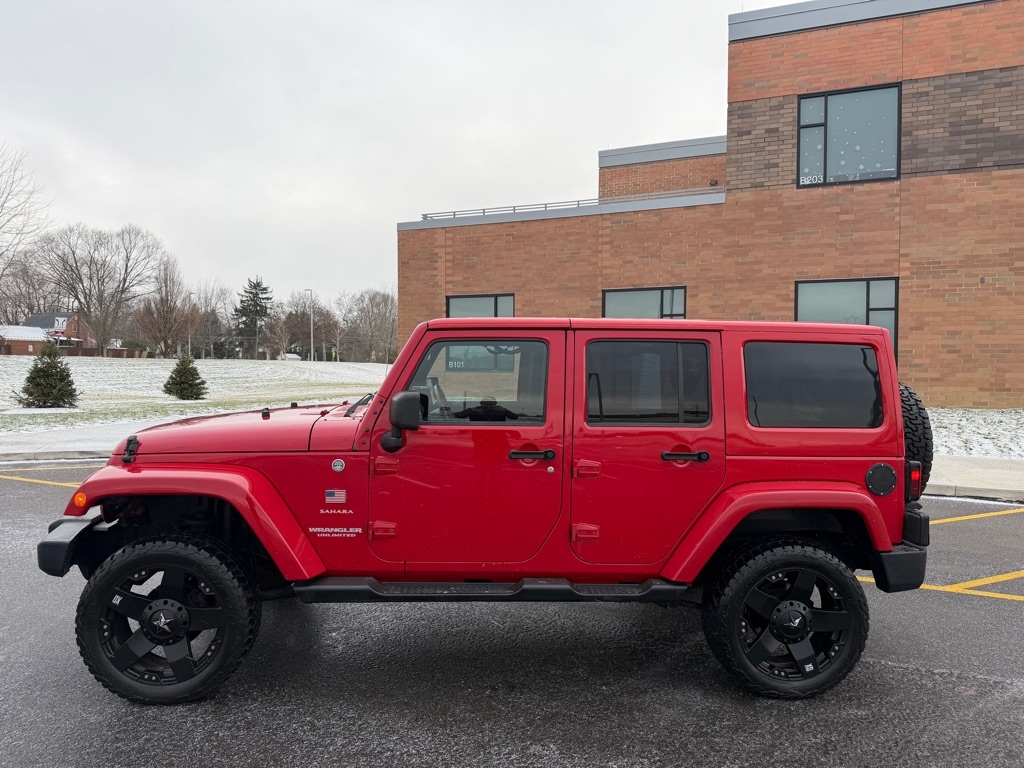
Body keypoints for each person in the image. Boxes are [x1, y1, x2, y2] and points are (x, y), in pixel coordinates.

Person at [453, 396, 519, 422]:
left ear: (481, 403)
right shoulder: (502, 410)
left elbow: (458, 415)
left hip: (477, 436)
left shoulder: (472, 410)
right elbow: (515, 417)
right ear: (495, 403)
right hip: (498, 436)